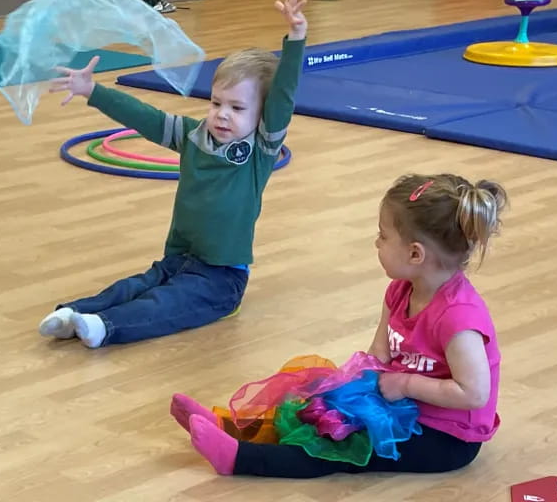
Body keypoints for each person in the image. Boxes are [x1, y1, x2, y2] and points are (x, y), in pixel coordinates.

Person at [170, 172, 507, 477]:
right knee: (314, 403)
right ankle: (232, 426)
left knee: (341, 445)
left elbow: (473, 393)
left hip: (445, 437)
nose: (377, 242)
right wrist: (347, 387)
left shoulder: (458, 318)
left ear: (415, 254)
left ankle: (241, 458)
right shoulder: (401, 289)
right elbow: (379, 353)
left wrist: (404, 384)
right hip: (403, 405)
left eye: (383, 236)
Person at [37, 0, 308, 348]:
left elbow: (284, 95)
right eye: (216, 103)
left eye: (237, 108)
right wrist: (93, 91)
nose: (222, 114)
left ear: (261, 116)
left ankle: (104, 325)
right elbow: (145, 117)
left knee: (163, 304)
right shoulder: (192, 135)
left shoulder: (259, 149)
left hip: (221, 278)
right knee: (136, 285)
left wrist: (296, 37)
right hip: (179, 258)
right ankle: (74, 312)